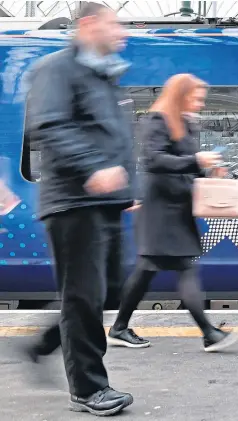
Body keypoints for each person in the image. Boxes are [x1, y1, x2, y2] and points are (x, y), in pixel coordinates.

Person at [25, 2, 136, 416]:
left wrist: (129, 189)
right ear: (89, 25)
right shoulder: (57, 69)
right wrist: (94, 169)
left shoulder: (102, 75)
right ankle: (89, 389)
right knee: (83, 296)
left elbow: (115, 139)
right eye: (115, 24)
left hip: (103, 201)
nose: (123, 32)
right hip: (72, 201)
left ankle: (44, 345)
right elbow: (48, 125)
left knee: (109, 289)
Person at [106, 73, 238, 353]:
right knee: (184, 268)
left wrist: (209, 170)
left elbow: (183, 164)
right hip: (161, 210)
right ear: (181, 95)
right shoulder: (157, 120)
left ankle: (119, 328)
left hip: (175, 208)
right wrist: (196, 160)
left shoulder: (185, 123)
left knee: (147, 271)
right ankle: (209, 333)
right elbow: (155, 160)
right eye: (196, 97)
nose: (201, 104)